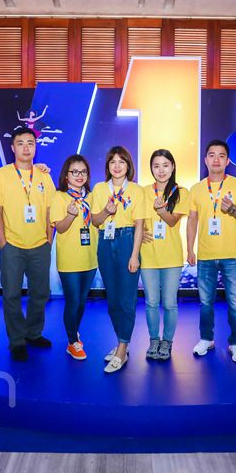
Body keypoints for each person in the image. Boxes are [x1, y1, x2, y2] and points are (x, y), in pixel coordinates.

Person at [0, 128, 56, 362]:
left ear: (35, 147)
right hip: (12, 246)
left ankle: (34, 333)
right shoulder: (2, 175)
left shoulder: (44, 176)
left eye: (30, 143)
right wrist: (3, 243)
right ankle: (17, 340)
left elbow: (50, 211)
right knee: (11, 294)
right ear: (13, 148)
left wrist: (49, 240)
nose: (26, 148)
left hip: (40, 245)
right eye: (20, 143)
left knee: (41, 293)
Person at [187, 139, 236, 363]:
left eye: (221, 155)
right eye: (212, 155)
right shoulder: (196, 189)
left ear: (227, 161)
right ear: (205, 160)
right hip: (205, 256)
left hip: (232, 255)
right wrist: (190, 249)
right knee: (206, 303)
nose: (216, 159)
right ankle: (206, 339)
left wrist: (231, 208)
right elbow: (192, 221)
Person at [91, 146, 146, 373]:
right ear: (107, 165)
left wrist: (134, 255)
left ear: (128, 165)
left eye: (121, 161)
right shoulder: (99, 188)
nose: (117, 166)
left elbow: (140, 225)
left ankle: (122, 349)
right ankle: (122, 341)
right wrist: (106, 211)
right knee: (113, 300)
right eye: (112, 161)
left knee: (126, 299)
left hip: (127, 241)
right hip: (105, 242)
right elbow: (95, 221)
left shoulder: (136, 190)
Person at [140, 149, 189, 361]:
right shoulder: (143, 191)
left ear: (173, 167)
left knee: (169, 303)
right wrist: (138, 233)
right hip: (148, 255)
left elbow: (171, 221)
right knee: (151, 302)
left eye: (165, 165)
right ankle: (153, 340)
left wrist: (160, 210)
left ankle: (167, 341)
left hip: (171, 257)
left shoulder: (182, 192)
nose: (161, 170)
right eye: (156, 166)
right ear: (151, 168)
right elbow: (135, 219)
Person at [50, 154, 98, 360]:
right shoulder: (59, 197)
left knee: (81, 301)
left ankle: (74, 332)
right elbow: (59, 228)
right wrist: (70, 215)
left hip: (90, 257)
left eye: (83, 172)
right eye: (75, 172)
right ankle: (72, 342)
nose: (79, 175)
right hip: (69, 258)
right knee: (73, 300)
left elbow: (98, 222)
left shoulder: (92, 197)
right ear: (66, 175)